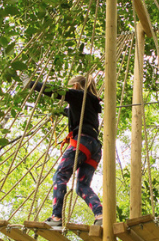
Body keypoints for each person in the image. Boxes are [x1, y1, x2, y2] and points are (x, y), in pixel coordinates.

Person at [25, 75, 104, 226]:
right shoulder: (91, 102)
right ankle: (100, 215)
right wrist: (58, 111)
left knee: (60, 176)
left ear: (74, 87)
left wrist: (32, 84)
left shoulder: (78, 95)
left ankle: (56, 218)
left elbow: (55, 91)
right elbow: (73, 112)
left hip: (82, 142)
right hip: (94, 148)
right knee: (82, 186)